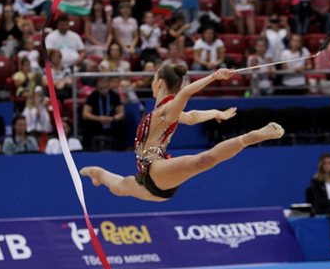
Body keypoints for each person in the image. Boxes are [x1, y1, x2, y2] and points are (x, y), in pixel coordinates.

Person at [80, 65, 284, 202]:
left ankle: (252, 136)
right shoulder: (163, 111)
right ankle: (98, 174)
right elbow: (192, 117)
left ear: (159, 82)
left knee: (202, 161)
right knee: (119, 187)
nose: (152, 83)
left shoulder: (168, 109)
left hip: (157, 169)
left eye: (152, 79)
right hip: (155, 184)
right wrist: (216, 113)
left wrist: (213, 77)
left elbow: (186, 93)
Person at [81, 77, 126, 151]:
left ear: (108, 86)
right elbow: (85, 114)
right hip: (96, 122)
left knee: (121, 124)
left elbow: (121, 113)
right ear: (97, 87)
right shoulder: (93, 96)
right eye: (100, 88)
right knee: (86, 123)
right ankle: (87, 149)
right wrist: (99, 118)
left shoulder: (115, 96)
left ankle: (120, 150)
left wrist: (112, 118)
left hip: (111, 122)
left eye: (105, 88)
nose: (103, 90)